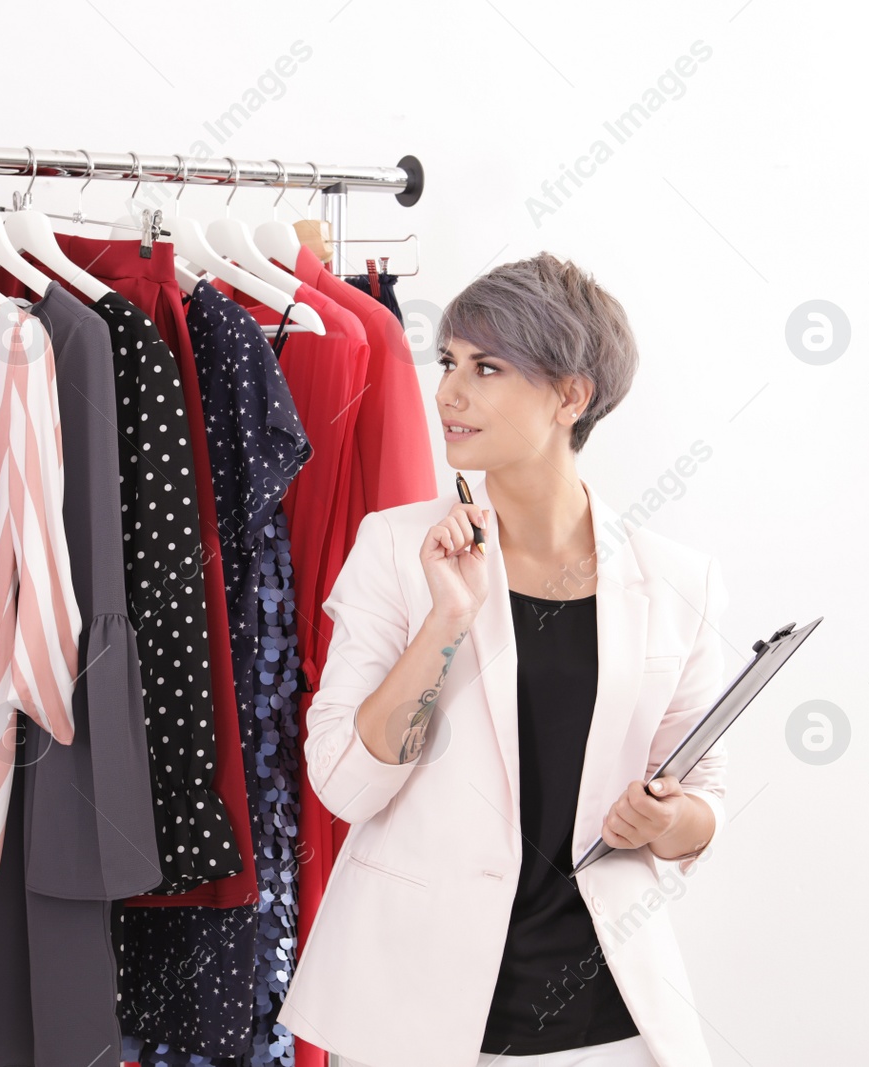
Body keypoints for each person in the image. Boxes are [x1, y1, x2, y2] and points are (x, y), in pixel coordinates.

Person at [277, 253, 731, 1067]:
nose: (448, 392)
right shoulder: (394, 546)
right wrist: (446, 619)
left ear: (571, 395)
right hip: (419, 1013)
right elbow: (345, 782)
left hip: (609, 1021)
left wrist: (668, 820)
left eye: (486, 368)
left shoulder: (676, 580)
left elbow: (704, 799)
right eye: (448, 362)